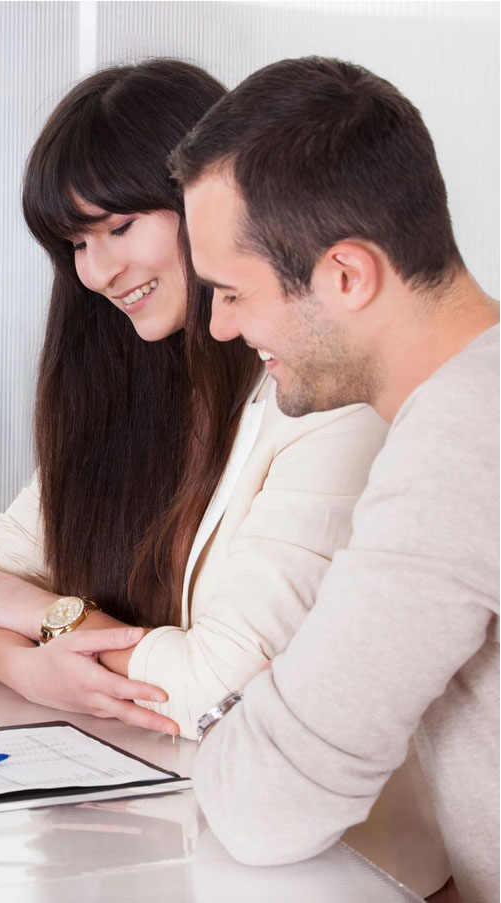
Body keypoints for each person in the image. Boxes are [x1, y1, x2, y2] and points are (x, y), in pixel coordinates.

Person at [0, 60, 447, 896]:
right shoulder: (126, 389)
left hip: (331, 866)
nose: (95, 272)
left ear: (216, 204)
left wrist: (50, 620)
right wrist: (35, 668)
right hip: (162, 826)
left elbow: (222, 686)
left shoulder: (323, 392)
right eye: (74, 243)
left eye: (120, 225)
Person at [172, 56, 499, 902]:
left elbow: (265, 806)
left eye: (233, 292)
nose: (217, 326)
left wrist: (224, 720)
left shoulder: (464, 439)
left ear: (346, 275)